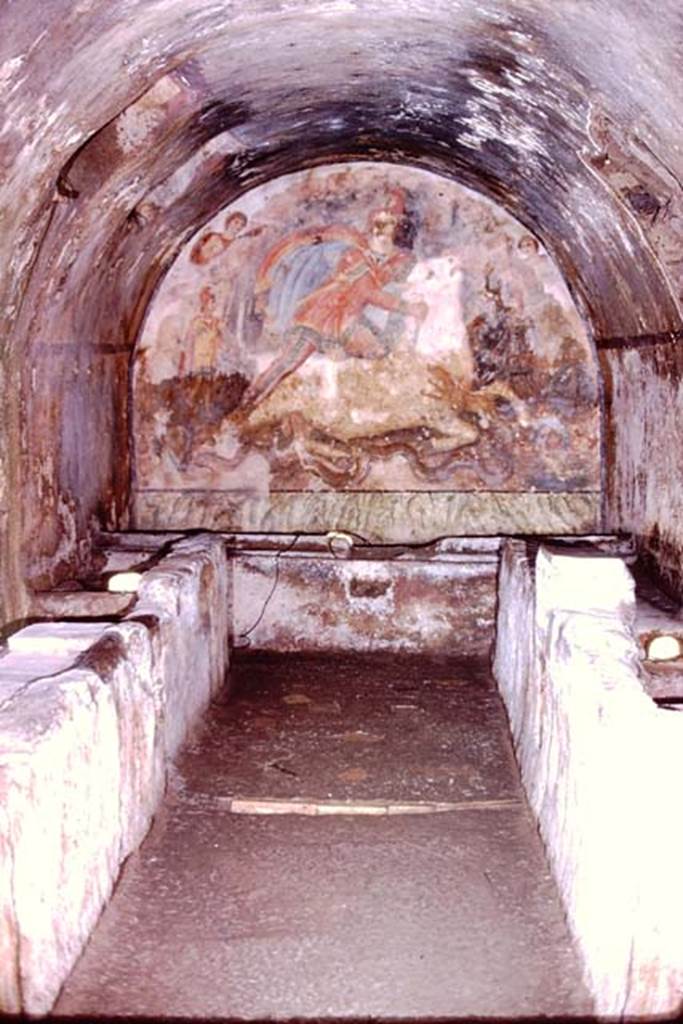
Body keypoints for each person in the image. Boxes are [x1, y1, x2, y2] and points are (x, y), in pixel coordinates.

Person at [241, 191, 427, 406]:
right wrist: (409, 307)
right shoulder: (355, 256)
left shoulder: (383, 262)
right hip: (319, 317)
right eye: (381, 229)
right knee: (288, 362)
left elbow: (390, 278)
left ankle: (364, 407)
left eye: (391, 228)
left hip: (347, 322)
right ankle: (251, 399)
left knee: (378, 351)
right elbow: (369, 293)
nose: (384, 236)